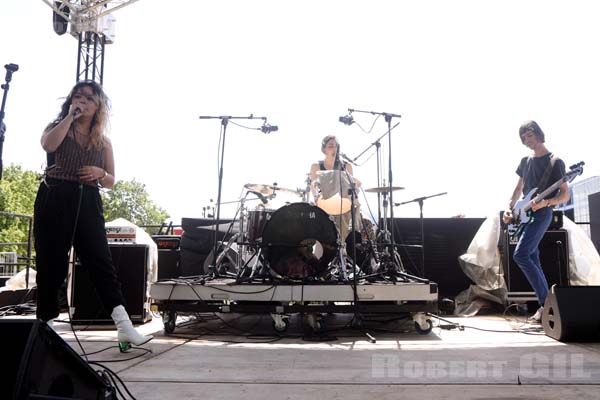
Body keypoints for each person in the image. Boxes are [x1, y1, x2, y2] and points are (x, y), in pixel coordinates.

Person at [34, 80, 152, 352]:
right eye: (78, 97)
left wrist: (100, 174)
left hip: (87, 200)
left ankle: (124, 327)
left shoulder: (103, 142)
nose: (82, 101)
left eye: (88, 98)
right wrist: (69, 117)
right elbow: (48, 145)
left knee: (101, 262)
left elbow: (111, 179)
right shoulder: (58, 127)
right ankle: (45, 326)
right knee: (51, 261)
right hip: (55, 195)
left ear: (98, 106)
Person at [503, 120, 570, 324]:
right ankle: (547, 307)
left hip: (542, 214)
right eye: (522, 138)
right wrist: (509, 208)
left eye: (528, 136)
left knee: (521, 254)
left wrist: (546, 202)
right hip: (525, 214)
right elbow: (518, 190)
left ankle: (546, 302)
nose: (526, 141)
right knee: (533, 258)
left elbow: (565, 195)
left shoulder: (555, 162)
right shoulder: (525, 161)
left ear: (538, 133)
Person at [309, 135, 362, 241]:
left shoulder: (346, 166)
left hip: (343, 206)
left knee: (346, 233)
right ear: (323, 149)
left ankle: (346, 249)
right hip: (324, 205)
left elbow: (351, 187)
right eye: (331, 146)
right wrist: (317, 199)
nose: (334, 148)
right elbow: (314, 187)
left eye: (336, 146)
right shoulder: (316, 166)